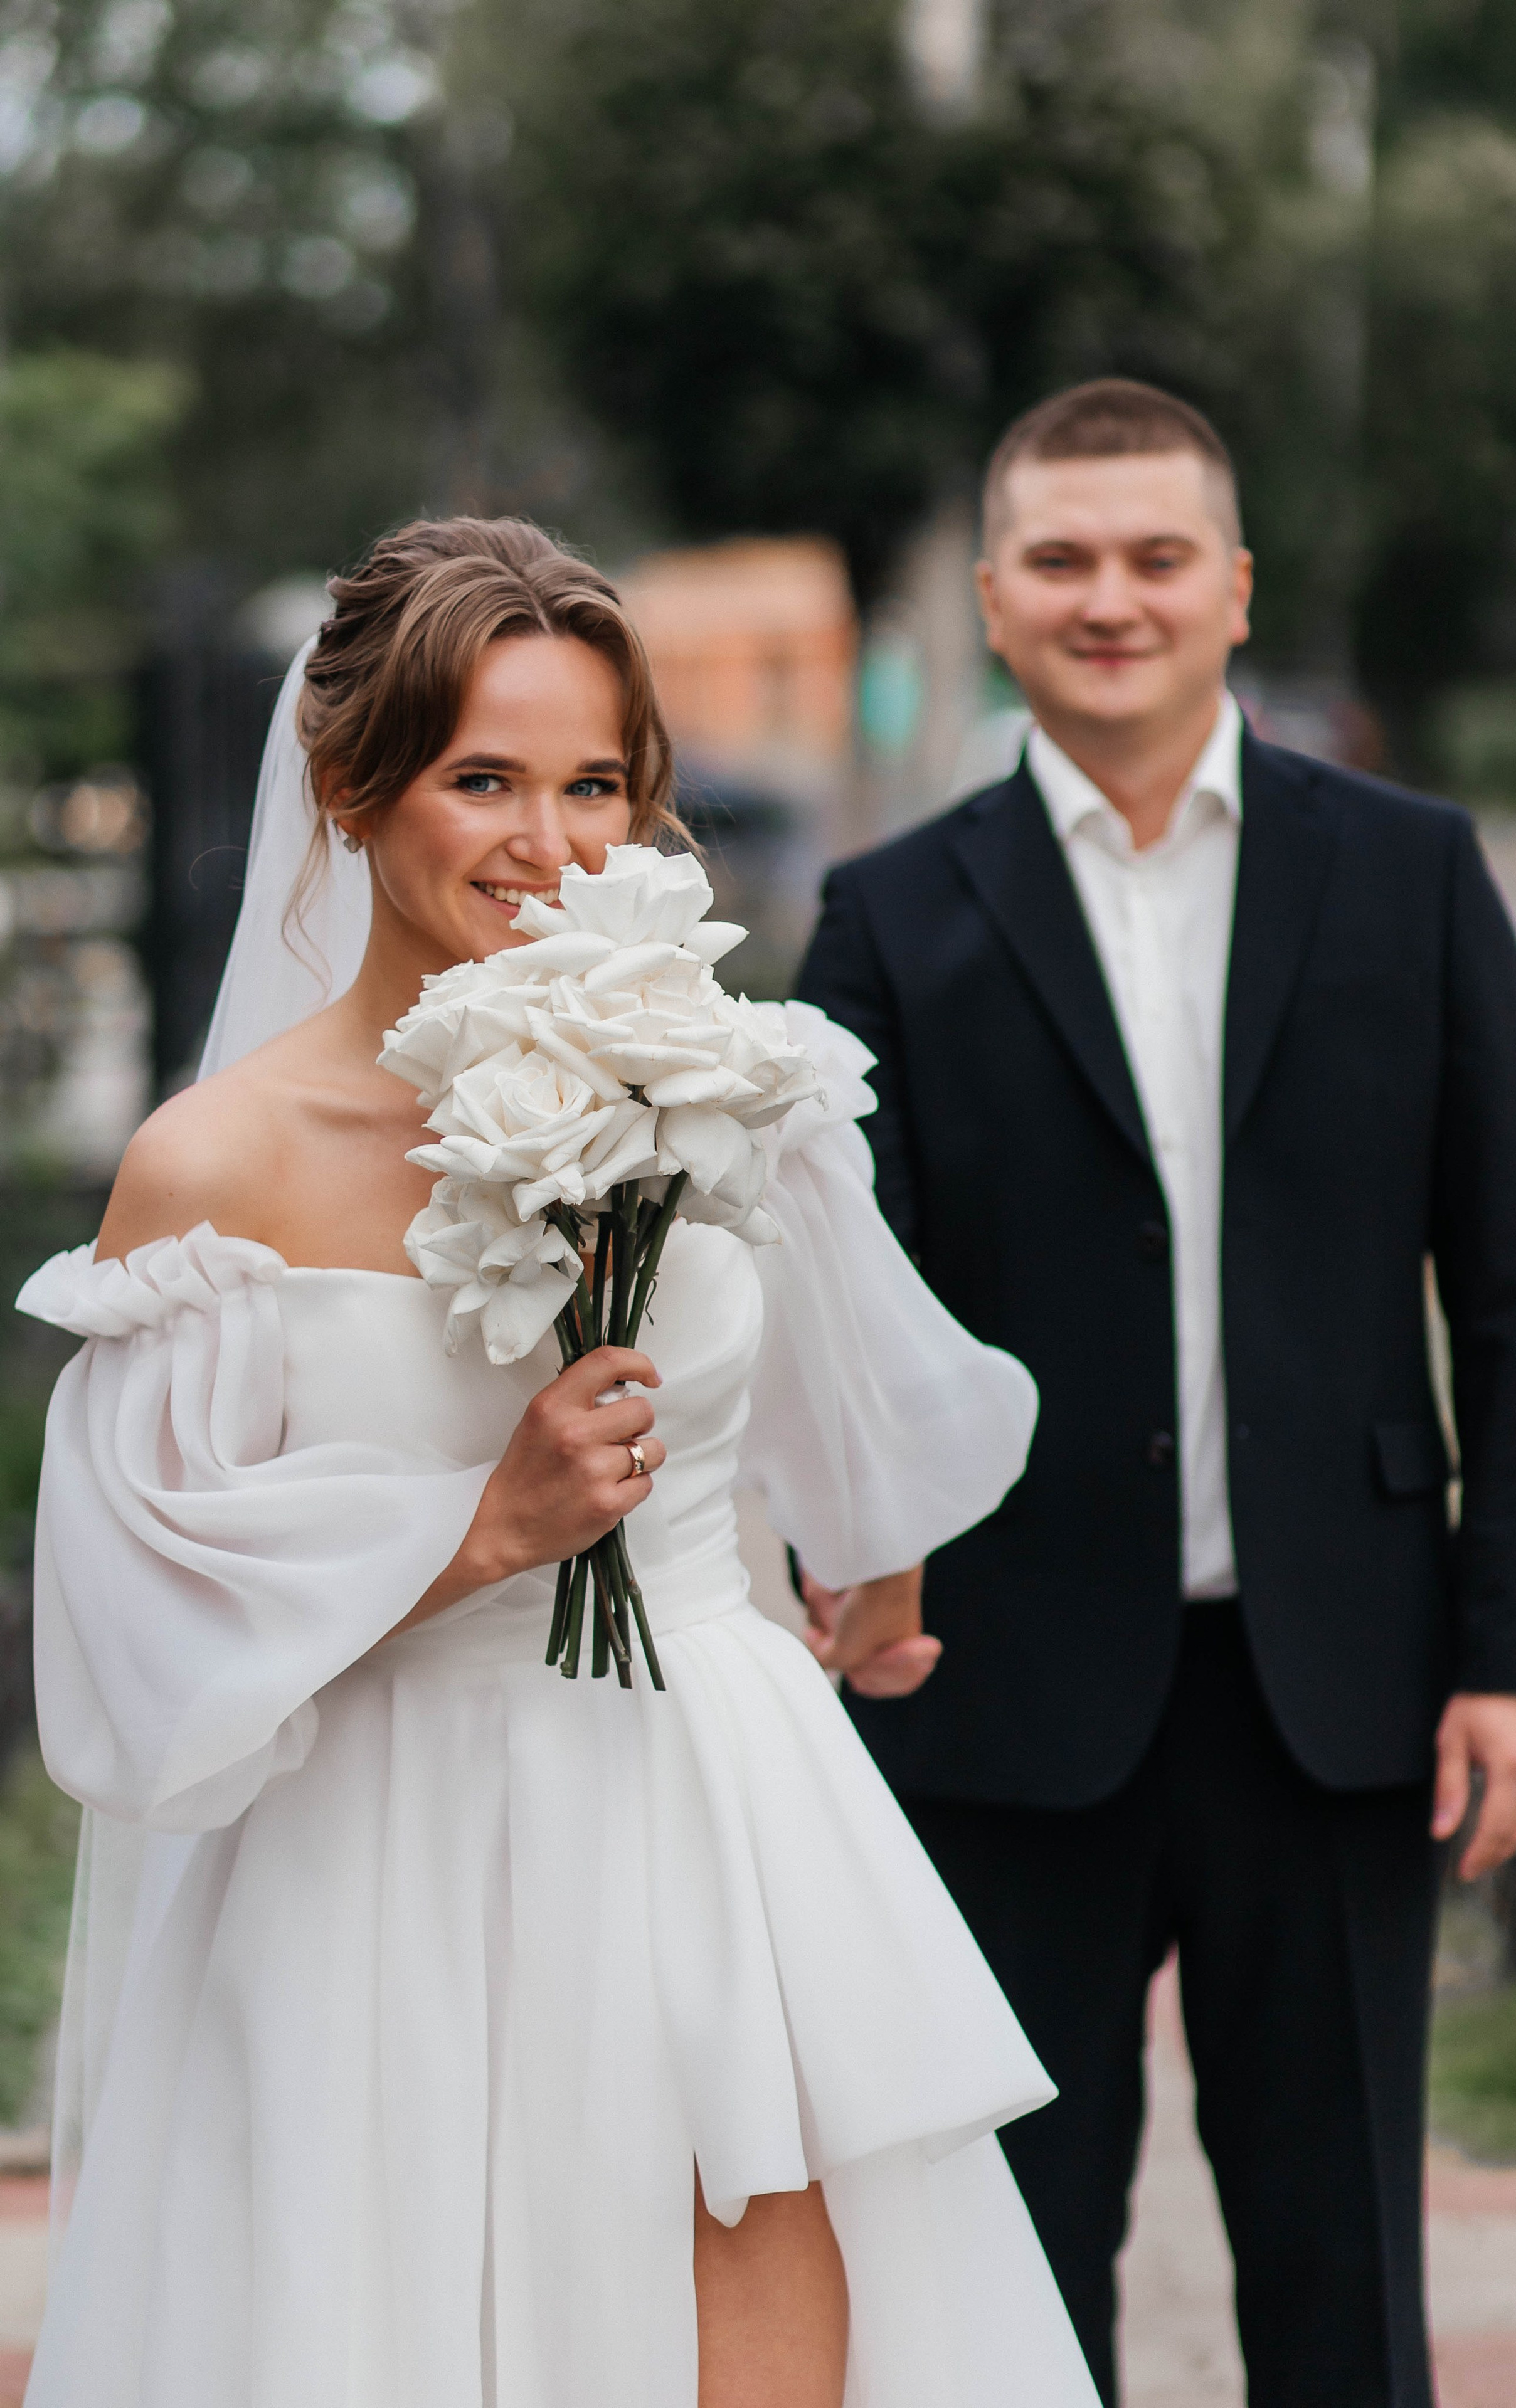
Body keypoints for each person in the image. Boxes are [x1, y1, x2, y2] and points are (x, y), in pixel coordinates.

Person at [18, 517, 1100, 2408]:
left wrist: (872, 1577)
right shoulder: (216, 1167)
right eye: (483, 780)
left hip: (708, 1799)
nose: (550, 841)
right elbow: (137, 1646)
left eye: (596, 783)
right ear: (353, 792)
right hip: (380, 1856)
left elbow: (869, 1406)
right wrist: (477, 1532)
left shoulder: (733, 1083)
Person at [796, 378, 1516, 2407]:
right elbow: (829, 1304)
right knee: (1006, 2278)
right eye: (1062, 560)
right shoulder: (891, 913)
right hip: (999, 1691)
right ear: (995, 599)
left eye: (1157, 557)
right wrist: (844, 1565)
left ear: (1234, 587)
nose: (1112, 599)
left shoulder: (1414, 871)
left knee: (1345, 2278)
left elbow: (1514, 1290)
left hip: (1336, 1691)